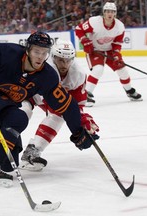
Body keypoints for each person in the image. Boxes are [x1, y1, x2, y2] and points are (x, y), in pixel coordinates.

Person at [0, 32, 99, 187]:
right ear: (28, 49)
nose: (40, 56)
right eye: (36, 51)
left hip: (6, 110)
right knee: (19, 118)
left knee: (9, 162)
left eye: (44, 53)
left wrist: (78, 130)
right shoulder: (9, 53)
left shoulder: (47, 76)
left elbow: (67, 105)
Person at [19, 39, 99, 171]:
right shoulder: (45, 67)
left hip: (51, 98)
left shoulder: (78, 74)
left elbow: (76, 105)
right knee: (23, 113)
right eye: (61, 60)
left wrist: (82, 120)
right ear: (53, 57)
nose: (65, 64)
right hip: (30, 93)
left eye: (68, 60)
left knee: (59, 115)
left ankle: (32, 153)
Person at [75, 1, 142, 107]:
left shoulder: (120, 26)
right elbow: (79, 29)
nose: (109, 14)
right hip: (95, 50)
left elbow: (117, 43)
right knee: (98, 70)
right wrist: (85, 41)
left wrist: (116, 55)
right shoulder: (94, 22)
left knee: (122, 70)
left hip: (109, 51)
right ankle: (85, 95)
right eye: (107, 11)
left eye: (112, 12)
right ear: (104, 13)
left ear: (115, 13)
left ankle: (130, 91)